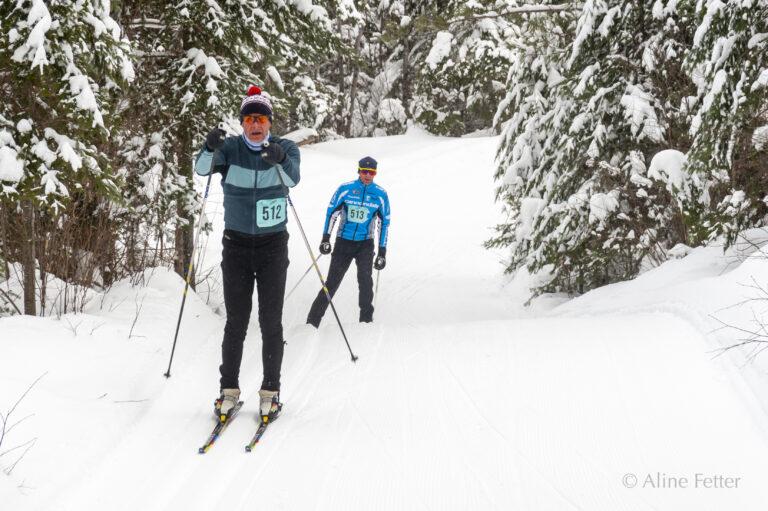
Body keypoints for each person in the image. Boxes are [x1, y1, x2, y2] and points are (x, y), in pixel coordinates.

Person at [195, 85, 300, 424]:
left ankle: (270, 392)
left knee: (271, 322)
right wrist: (209, 146)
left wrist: (280, 159)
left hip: (272, 247)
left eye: (262, 118)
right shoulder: (231, 149)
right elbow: (201, 169)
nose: (256, 124)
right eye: (250, 119)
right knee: (236, 322)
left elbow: (293, 179)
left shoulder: (285, 147)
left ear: (270, 122)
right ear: (242, 123)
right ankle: (228, 391)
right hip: (237, 245)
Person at [306, 156, 390, 328]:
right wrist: (325, 238)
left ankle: (366, 322)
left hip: (365, 244)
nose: (367, 175)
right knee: (332, 282)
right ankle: (312, 322)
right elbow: (332, 213)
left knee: (365, 282)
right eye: (364, 171)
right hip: (344, 242)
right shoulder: (345, 189)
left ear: (375, 174)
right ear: (359, 171)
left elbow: (384, 224)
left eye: (371, 172)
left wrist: (382, 252)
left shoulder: (380, 194)